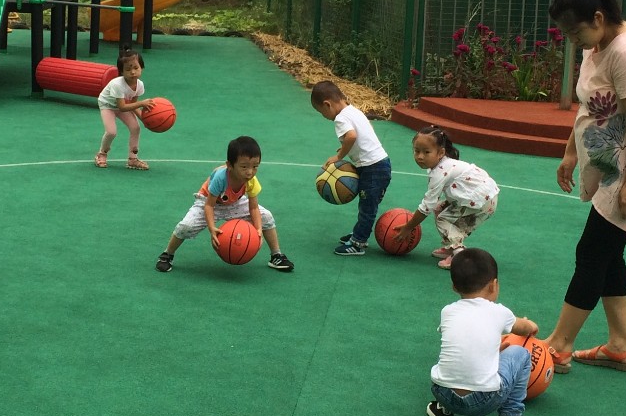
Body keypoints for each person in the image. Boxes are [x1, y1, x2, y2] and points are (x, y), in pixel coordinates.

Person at [543, 0, 626, 374]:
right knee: (609, 253)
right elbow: (589, 104)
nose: (572, 41)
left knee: (593, 252)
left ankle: (559, 345)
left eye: (575, 32)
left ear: (598, 18)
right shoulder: (596, 44)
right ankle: (621, 346)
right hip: (608, 160)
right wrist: (570, 152)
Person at [424, 248, 545, 416]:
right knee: (520, 354)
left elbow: (467, 341)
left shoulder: (447, 311)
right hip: (484, 400)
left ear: (454, 287)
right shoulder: (500, 312)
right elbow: (524, 328)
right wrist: (531, 325)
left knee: (450, 352)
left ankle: (443, 410)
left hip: (443, 392)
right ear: (493, 285)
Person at [155, 135, 294, 273]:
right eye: (244, 166)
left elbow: (253, 207)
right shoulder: (221, 177)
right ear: (230, 165)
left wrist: (258, 229)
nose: (250, 172)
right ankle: (167, 254)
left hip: (235, 202)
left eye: (255, 166)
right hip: (209, 202)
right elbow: (209, 205)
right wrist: (212, 228)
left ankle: (276, 255)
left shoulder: (251, 180)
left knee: (266, 217)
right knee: (186, 226)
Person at [395, 126, 500, 269]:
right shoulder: (445, 164)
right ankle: (452, 245)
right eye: (417, 151)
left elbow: (427, 206)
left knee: (443, 218)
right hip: (484, 198)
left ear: (441, 153)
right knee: (440, 208)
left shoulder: (440, 172)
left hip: (480, 201)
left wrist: (409, 227)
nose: (420, 156)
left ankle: (458, 254)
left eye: (426, 152)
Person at [310, 80, 393, 257]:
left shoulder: (340, 119)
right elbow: (367, 129)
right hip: (379, 164)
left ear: (327, 104)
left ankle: (358, 243)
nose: (324, 116)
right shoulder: (353, 110)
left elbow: (352, 136)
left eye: (321, 112)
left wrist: (339, 156)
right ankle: (359, 232)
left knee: (367, 207)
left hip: (372, 167)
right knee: (366, 204)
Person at [96, 49, 154, 169]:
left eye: (136, 68)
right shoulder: (118, 85)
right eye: (128, 69)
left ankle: (133, 159)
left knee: (135, 128)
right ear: (121, 72)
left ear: (142, 68)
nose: (133, 72)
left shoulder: (140, 85)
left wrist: (145, 120)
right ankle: (101, 154)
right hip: (107, 105)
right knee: (111, 132)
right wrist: (142, 103)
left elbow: (133, 104)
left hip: (123, 105)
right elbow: (122, 107)